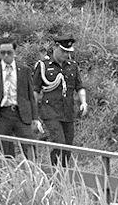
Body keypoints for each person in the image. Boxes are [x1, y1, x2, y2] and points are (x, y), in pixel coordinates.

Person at [0, 37, 42, 159]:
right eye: (3, 53)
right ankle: (7, 174)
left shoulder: (24, 70)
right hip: (2, 114)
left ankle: (33, 172)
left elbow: (30, 96)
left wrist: (35, 118)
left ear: (15, 52)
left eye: (9, 52)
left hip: (21, 113)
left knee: (29, 145)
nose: (6, 55)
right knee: (4, 148)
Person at [32, 35, 88, 167]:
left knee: (68, 146)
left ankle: (63, 173)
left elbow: (79, 87)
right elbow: (35, 91)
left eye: (68, 52)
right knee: (59, 142)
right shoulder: (43, 66)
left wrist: (83, 102)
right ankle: (55, 172)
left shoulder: (72, 66)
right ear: (55, 47)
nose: (66, 54)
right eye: (63, 51)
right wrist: (34, 116)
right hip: (50, 111)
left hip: (68, 112)